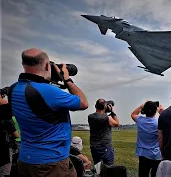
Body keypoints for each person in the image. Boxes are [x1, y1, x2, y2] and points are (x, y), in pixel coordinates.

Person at [9, 48, 88, 177]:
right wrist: (67, 79)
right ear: (47, 65)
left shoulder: (13, 89)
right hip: (51, 162)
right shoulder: (49, 92)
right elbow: (83, 103)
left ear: (23, 64)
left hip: (25, 159)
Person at [131, 101, 164, 177]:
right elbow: (168, 121)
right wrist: (161, 112)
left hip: (143, 154)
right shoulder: (159, 122)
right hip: (156, 154)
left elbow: (133, 114)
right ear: (155, 111)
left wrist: (142, 106)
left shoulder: (140, 120)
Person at [88, 99, 120, 165]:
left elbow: (100, 115)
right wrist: (112, 111)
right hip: (105, 146)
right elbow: (117, 124)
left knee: (98, 166)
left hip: (94, 146)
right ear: (105, 107)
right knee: (109, 167)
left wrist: (105, 110)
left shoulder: (90, 117)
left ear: (95, 106)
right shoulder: (107, 118)